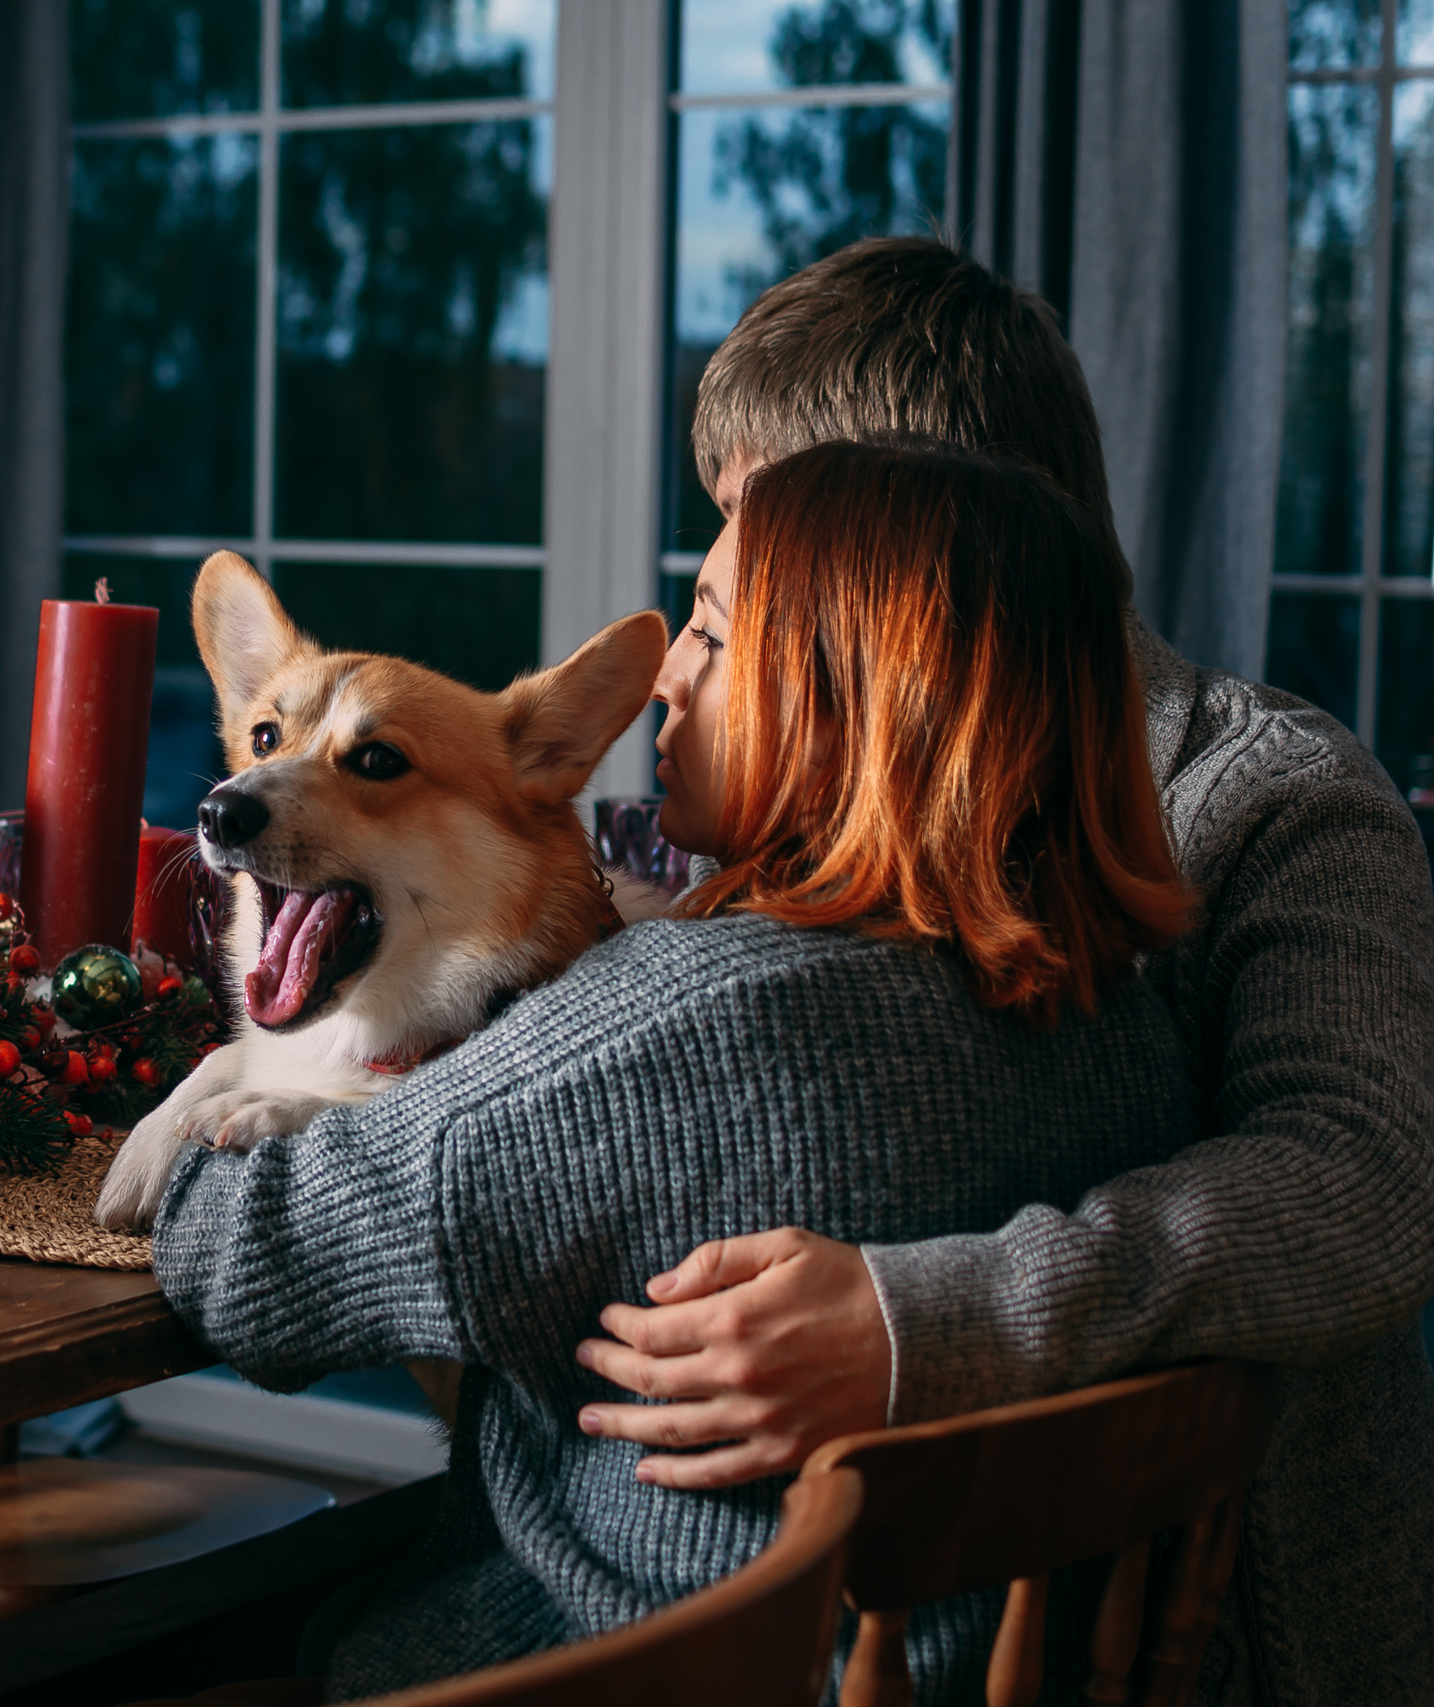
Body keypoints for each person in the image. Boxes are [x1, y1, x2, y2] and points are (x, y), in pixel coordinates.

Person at [156, 440, 1212, 1701]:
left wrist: (231, 1094)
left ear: (846, 693)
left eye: (708, 637)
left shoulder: (671, 1032)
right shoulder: (1137, 1039)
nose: (665, 687)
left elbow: (242, 1267)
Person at [575, 239, 1434, 1696]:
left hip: (1207, 1636)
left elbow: (1363, 1182)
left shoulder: (1272, 796)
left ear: (926, 534)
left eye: (771, 544)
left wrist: (933, 1320)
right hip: (857, 1603)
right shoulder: (810, 800)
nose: (722, 615)